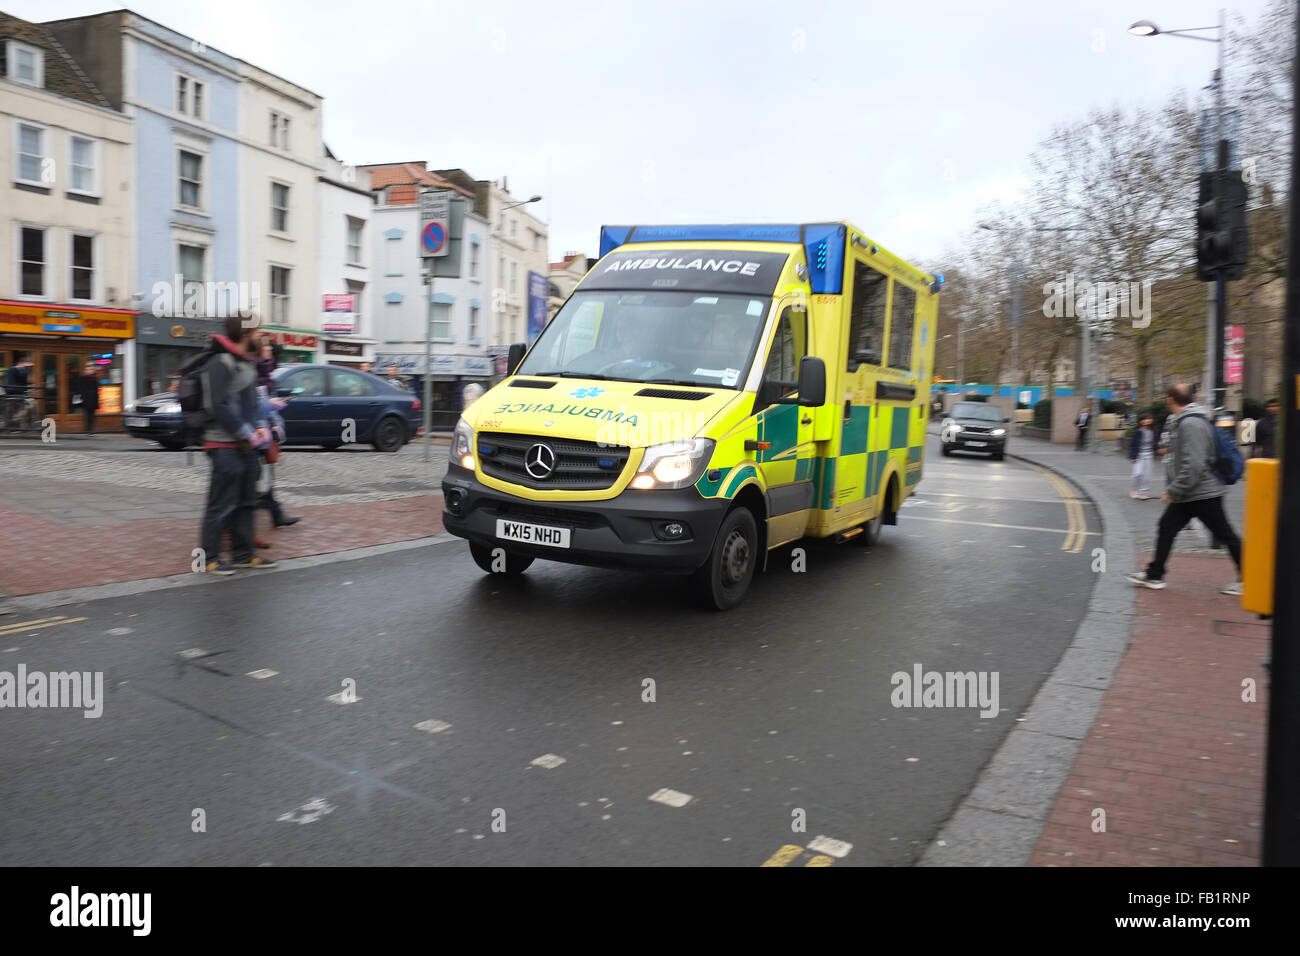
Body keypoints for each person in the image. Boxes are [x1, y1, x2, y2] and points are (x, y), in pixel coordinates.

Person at [1127, 383, 1242, 594]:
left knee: (1225, 534)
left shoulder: (1191, 423)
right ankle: (1155, 575)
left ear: (1170, 399)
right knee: (1167, 527)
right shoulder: (1188, 420)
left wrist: (1173, 490)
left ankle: (1250, 579)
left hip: (1202, 492)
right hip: (1192, 493)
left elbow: (1194, 464)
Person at [197, 316, 277, 575]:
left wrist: (260, 426)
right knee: (220, 503)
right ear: (245, 334)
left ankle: (243, 554)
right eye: (257, 331)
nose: (261, 336)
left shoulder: (247, 363)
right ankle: (208, 558)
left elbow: (251, 404)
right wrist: (245, 432)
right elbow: (217, 405)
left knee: (246, 502)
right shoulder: (220, 362)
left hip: (246, 445)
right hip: (222, 443)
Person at [1128, 413, 1156, 500]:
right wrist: (1133, 457)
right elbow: (1133, 445)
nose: (1146, 421)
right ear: (1140, 421)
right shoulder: (1137, 432)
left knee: (1147, 475)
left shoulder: (1153, 431)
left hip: (1149, 455)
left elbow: (1155, 444)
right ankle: (1135, 490)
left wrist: (1158, 450)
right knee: (1138, 473)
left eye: (1148, 419)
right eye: (1144, 419)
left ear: (1151, 420)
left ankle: (1143, 492)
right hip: (1139, 455)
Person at [75, 362, 100, 435]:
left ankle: (91, 429)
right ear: (85, 370)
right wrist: (82, 397)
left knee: (92, 415)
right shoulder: (82, 378)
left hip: (93, 399)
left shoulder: (95, 378)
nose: (90, 370)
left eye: (91, 369)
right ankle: (88, 429)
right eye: (88, 369)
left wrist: (96, 397)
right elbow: (80, 389)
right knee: (87, 414)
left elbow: (96, 389)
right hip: (86, 399)